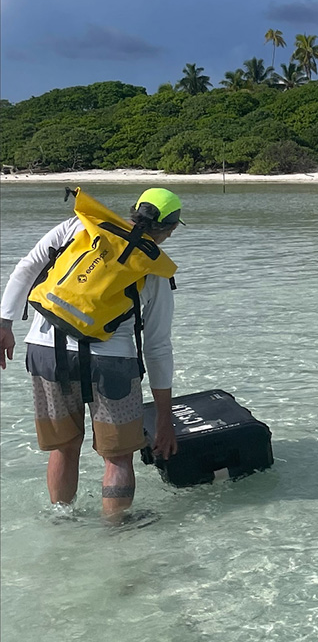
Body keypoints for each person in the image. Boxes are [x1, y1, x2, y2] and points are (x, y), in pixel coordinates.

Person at [0, 188, 182, 525]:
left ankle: (61, 522)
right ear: (169, 229)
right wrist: (164, 419)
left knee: (64, 447)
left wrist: (4, 323)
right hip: (111, 362)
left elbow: (26, 269)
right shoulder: (154, 266)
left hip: (44, 349)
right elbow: (157, 347)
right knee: (117, 458)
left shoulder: (78, 226)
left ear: (132, 211)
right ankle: (115, 531)